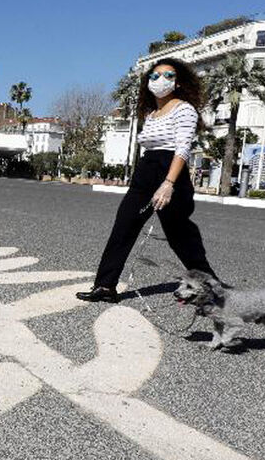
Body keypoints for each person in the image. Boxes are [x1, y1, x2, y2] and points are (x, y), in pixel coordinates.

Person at [76, 58, 219, 304]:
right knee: (124, 225)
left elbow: (182, 149)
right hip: (147, 170)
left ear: (178, 82)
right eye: (154, 76)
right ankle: (105, 286)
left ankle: (214, 289)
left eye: (167, 75)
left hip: (171, 171)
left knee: (179, 237)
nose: (160, 80)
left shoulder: (184, 109)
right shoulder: (151, 114)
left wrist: (168, 183)